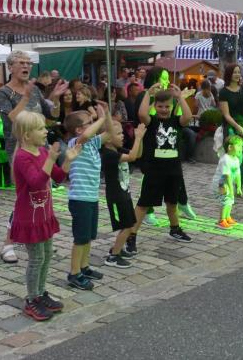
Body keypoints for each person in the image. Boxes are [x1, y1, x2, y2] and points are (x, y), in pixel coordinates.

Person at [0, 51, 69, 264]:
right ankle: (8, 243)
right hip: (20, 150)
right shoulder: (3, 92)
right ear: (10, 67)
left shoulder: (34, 89)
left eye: (28, 63)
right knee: (24, 198)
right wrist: (25, 97)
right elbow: (11, 118)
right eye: (21, 63)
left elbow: (52, 116)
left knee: (43, 194)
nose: (27, 66)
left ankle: (41, 237)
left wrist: (55, 98)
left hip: (41, 149)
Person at [10, 111, 81, 321]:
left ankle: (41, 294)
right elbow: (37, 182)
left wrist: (67, 161)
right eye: (40, 128)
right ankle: (32, 299)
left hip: (44, 215)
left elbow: (57, 177)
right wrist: (50, 158)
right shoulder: (22, 157)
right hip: (29, 218)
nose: (45, 132)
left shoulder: (41, 151)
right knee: (36, 259)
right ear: (26, 135)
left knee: (47, 255)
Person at [127, 85, 195, 255]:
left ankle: (175, 228)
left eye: (167, 106)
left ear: (172, 106)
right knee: (144, 204)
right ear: (155, 106)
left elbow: (188, 117)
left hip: (173, 170)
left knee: (172, 202)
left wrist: (180, 97)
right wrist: (148, 94)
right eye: (160, 106)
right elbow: (142, 114)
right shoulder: (152, 122)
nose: (164, 109)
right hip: (154, 171)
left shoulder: (176, 122)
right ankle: (131, 235)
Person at [63, 103, 112, 290]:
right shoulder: (76, 143)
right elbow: (85, 136)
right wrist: (100, 119)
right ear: (78, 129)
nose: (94, 124)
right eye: (89, 122)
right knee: (81, 238)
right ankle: (74, 273)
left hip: (91, 198)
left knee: (89, 236)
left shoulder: (92, 142)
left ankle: (84, 267)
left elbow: (109, 133)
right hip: (79, 199)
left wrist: (106, 115)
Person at [102, 118, 147, 268]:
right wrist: (138, 138)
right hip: (116, 197)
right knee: (127, 225)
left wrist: (140, 139)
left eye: (122, 132)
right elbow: (132, 156)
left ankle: (117, 248)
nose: (122, 136)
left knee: (128, 223)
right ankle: (113, 257)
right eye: (118, 133)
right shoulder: (109, 154)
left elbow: (137, 154)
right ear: (108, 138)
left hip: (124, 194)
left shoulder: (117, 150)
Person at [219, 64, 243, 184]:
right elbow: (226, 115)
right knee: (232, 157)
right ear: (229, 74)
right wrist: (237, 127)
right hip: (231, 127)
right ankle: (227, 184)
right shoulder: (224, 92)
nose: (237, 74)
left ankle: (239, 187)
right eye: (234, 72)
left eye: (238, 72)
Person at [213, 135, 243, 229]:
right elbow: (227, 176)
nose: (241, 148)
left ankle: (227, 217)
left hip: (228, 183)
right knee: (226, 201)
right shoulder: (225, 159)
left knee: (230, 200)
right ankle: (221, 220)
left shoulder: (236, 159)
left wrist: (239, 186)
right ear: (230, 147)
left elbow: (238, 174)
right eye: (238, 146)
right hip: (221, 184)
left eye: (242, 146)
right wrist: (231, 189)